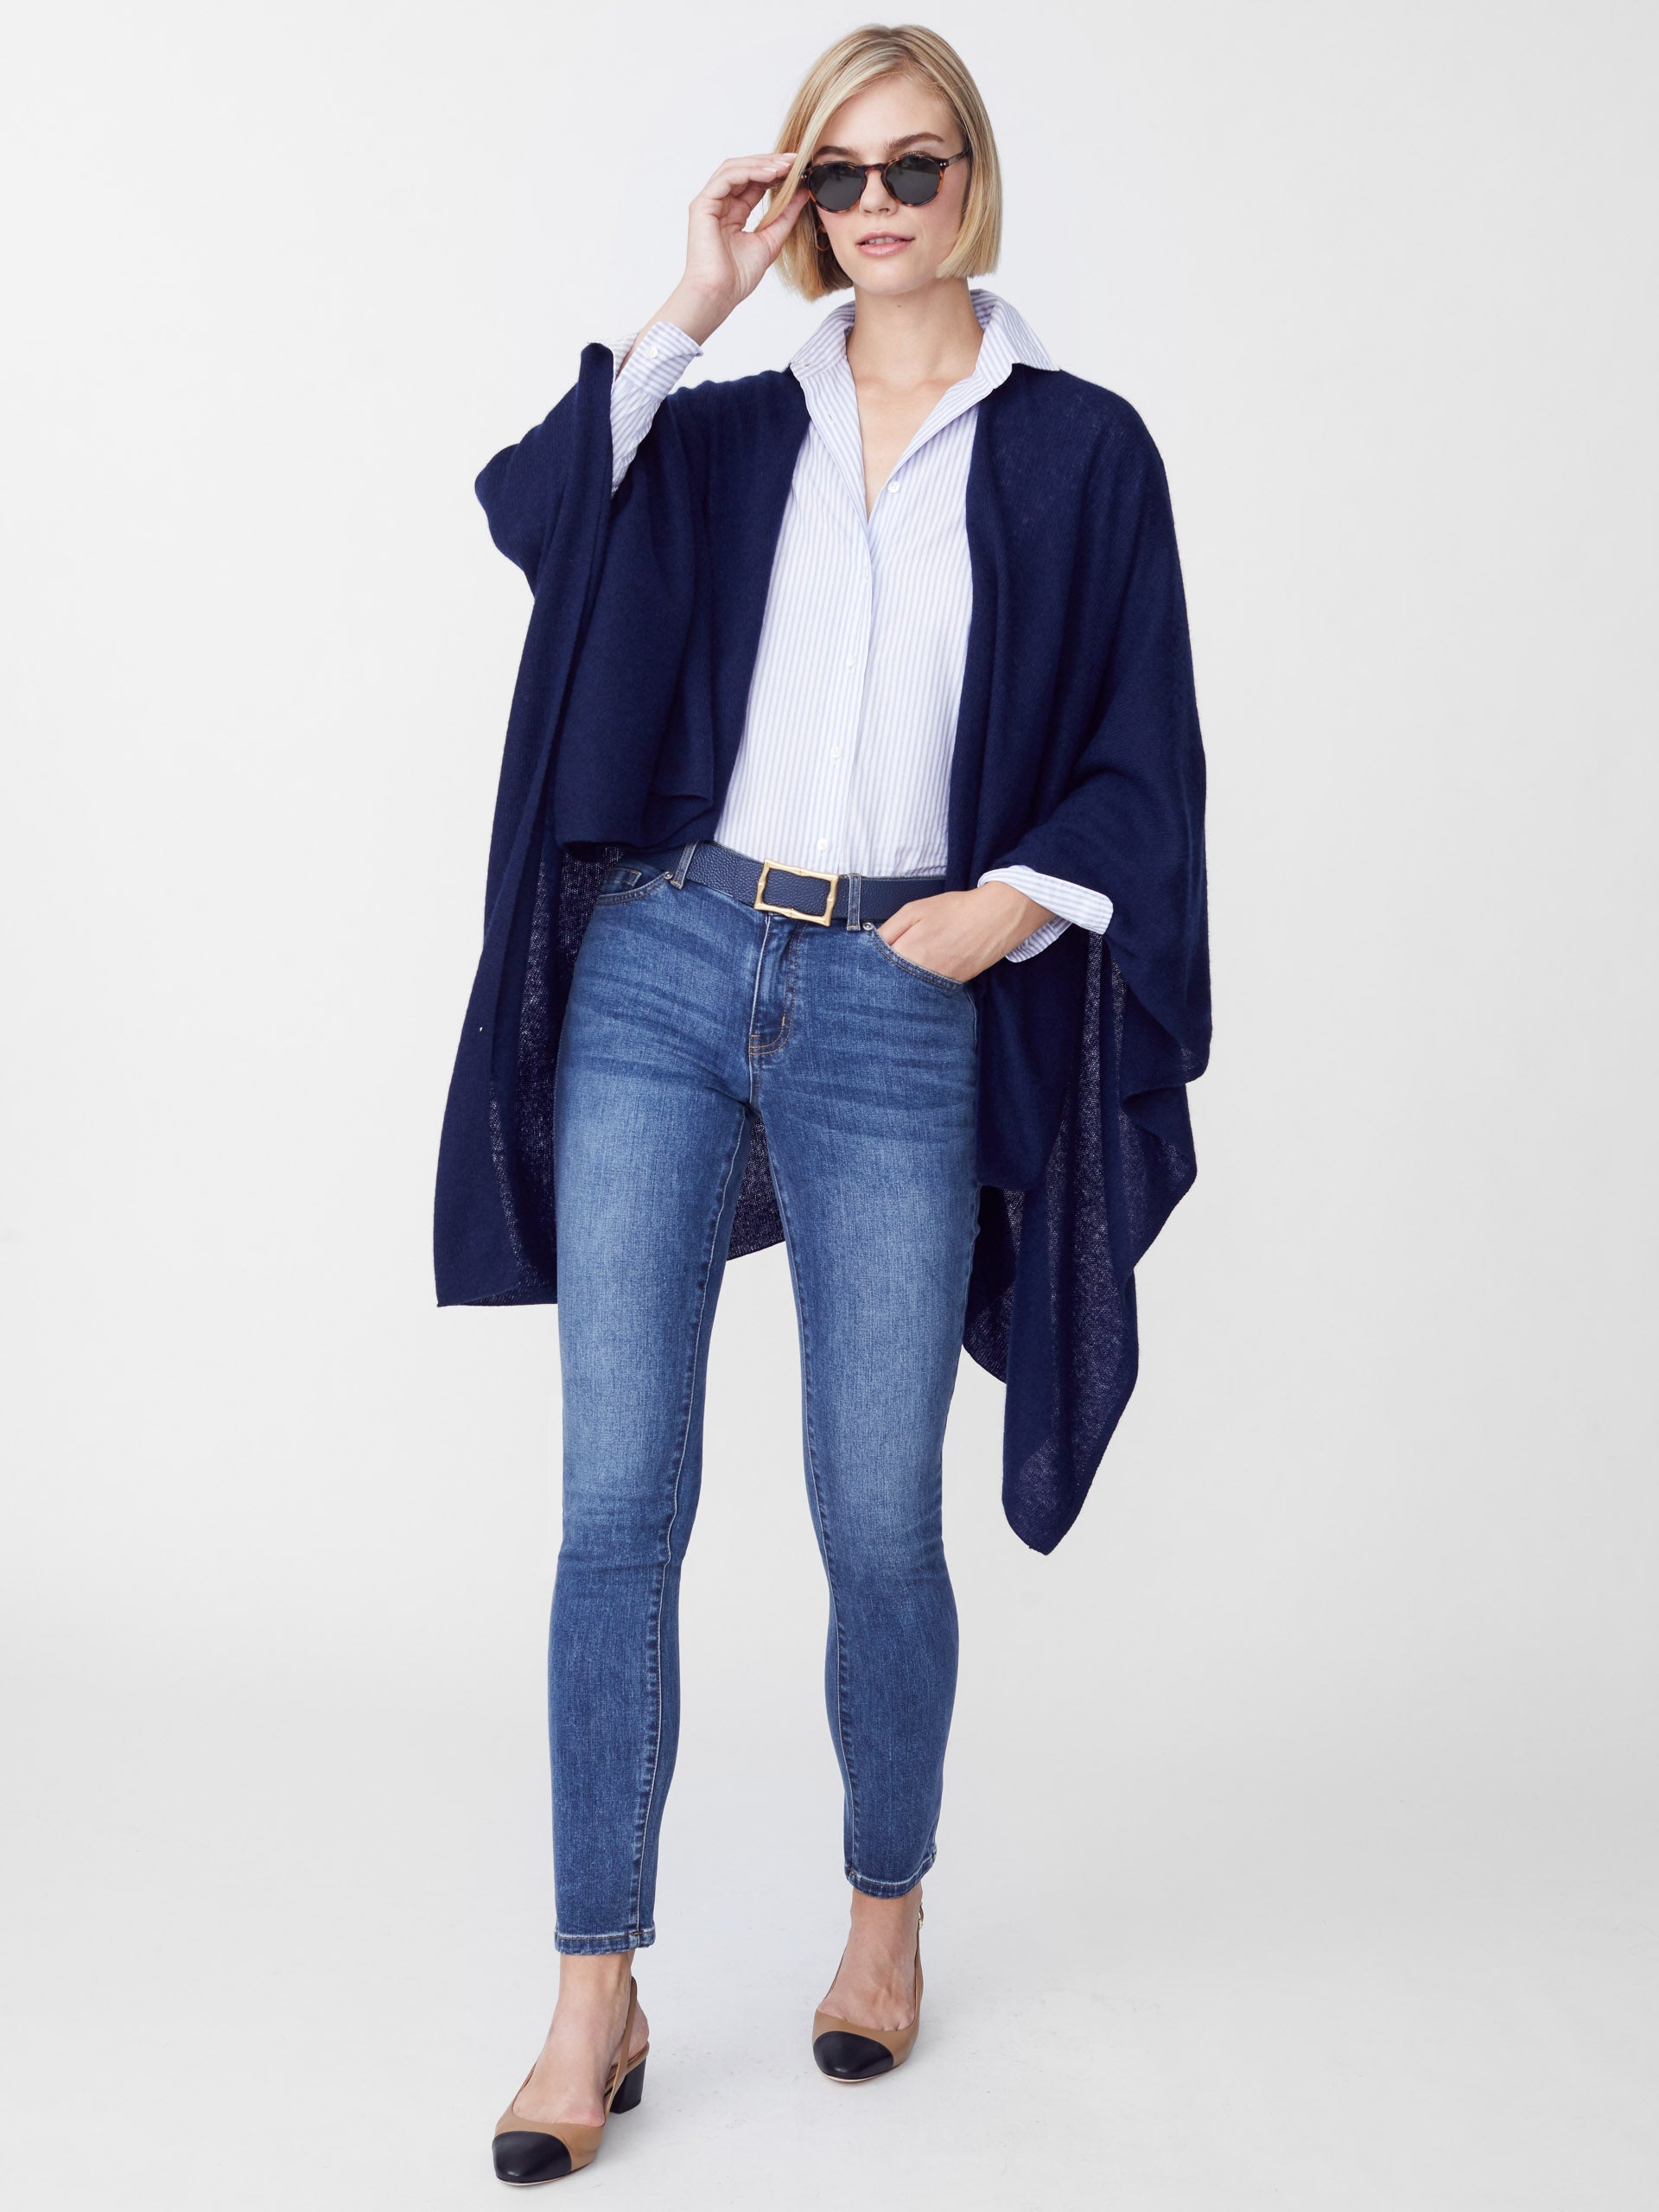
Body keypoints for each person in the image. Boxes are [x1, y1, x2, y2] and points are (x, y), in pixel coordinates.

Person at [434, 22, 1210, 2186]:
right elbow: (531, 513)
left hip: (895, 996)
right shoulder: (718, 428)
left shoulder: (1078, 451)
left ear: (975, 180)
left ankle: (886, 1905)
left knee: (876, 1510)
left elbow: (1147, 749)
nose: (877, 207)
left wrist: (1009, 908)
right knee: (616, 1503)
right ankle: (595, 1986)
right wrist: (690, 296)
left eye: (913, 167)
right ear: (800, 197)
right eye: (837, 174)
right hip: (669, 966)